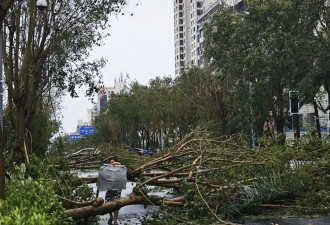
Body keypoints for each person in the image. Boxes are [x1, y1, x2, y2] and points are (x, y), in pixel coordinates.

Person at [105, 156, 122, 225]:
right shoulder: (108, 169)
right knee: (107, 202)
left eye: (113, 162)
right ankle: (111, 217)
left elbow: (123, 168)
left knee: (116, 204)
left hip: (117, 188)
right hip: (109, 188)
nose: (111, 164)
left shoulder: (119, 168)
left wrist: (118, 163)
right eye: (110, 163)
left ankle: (115, 221)